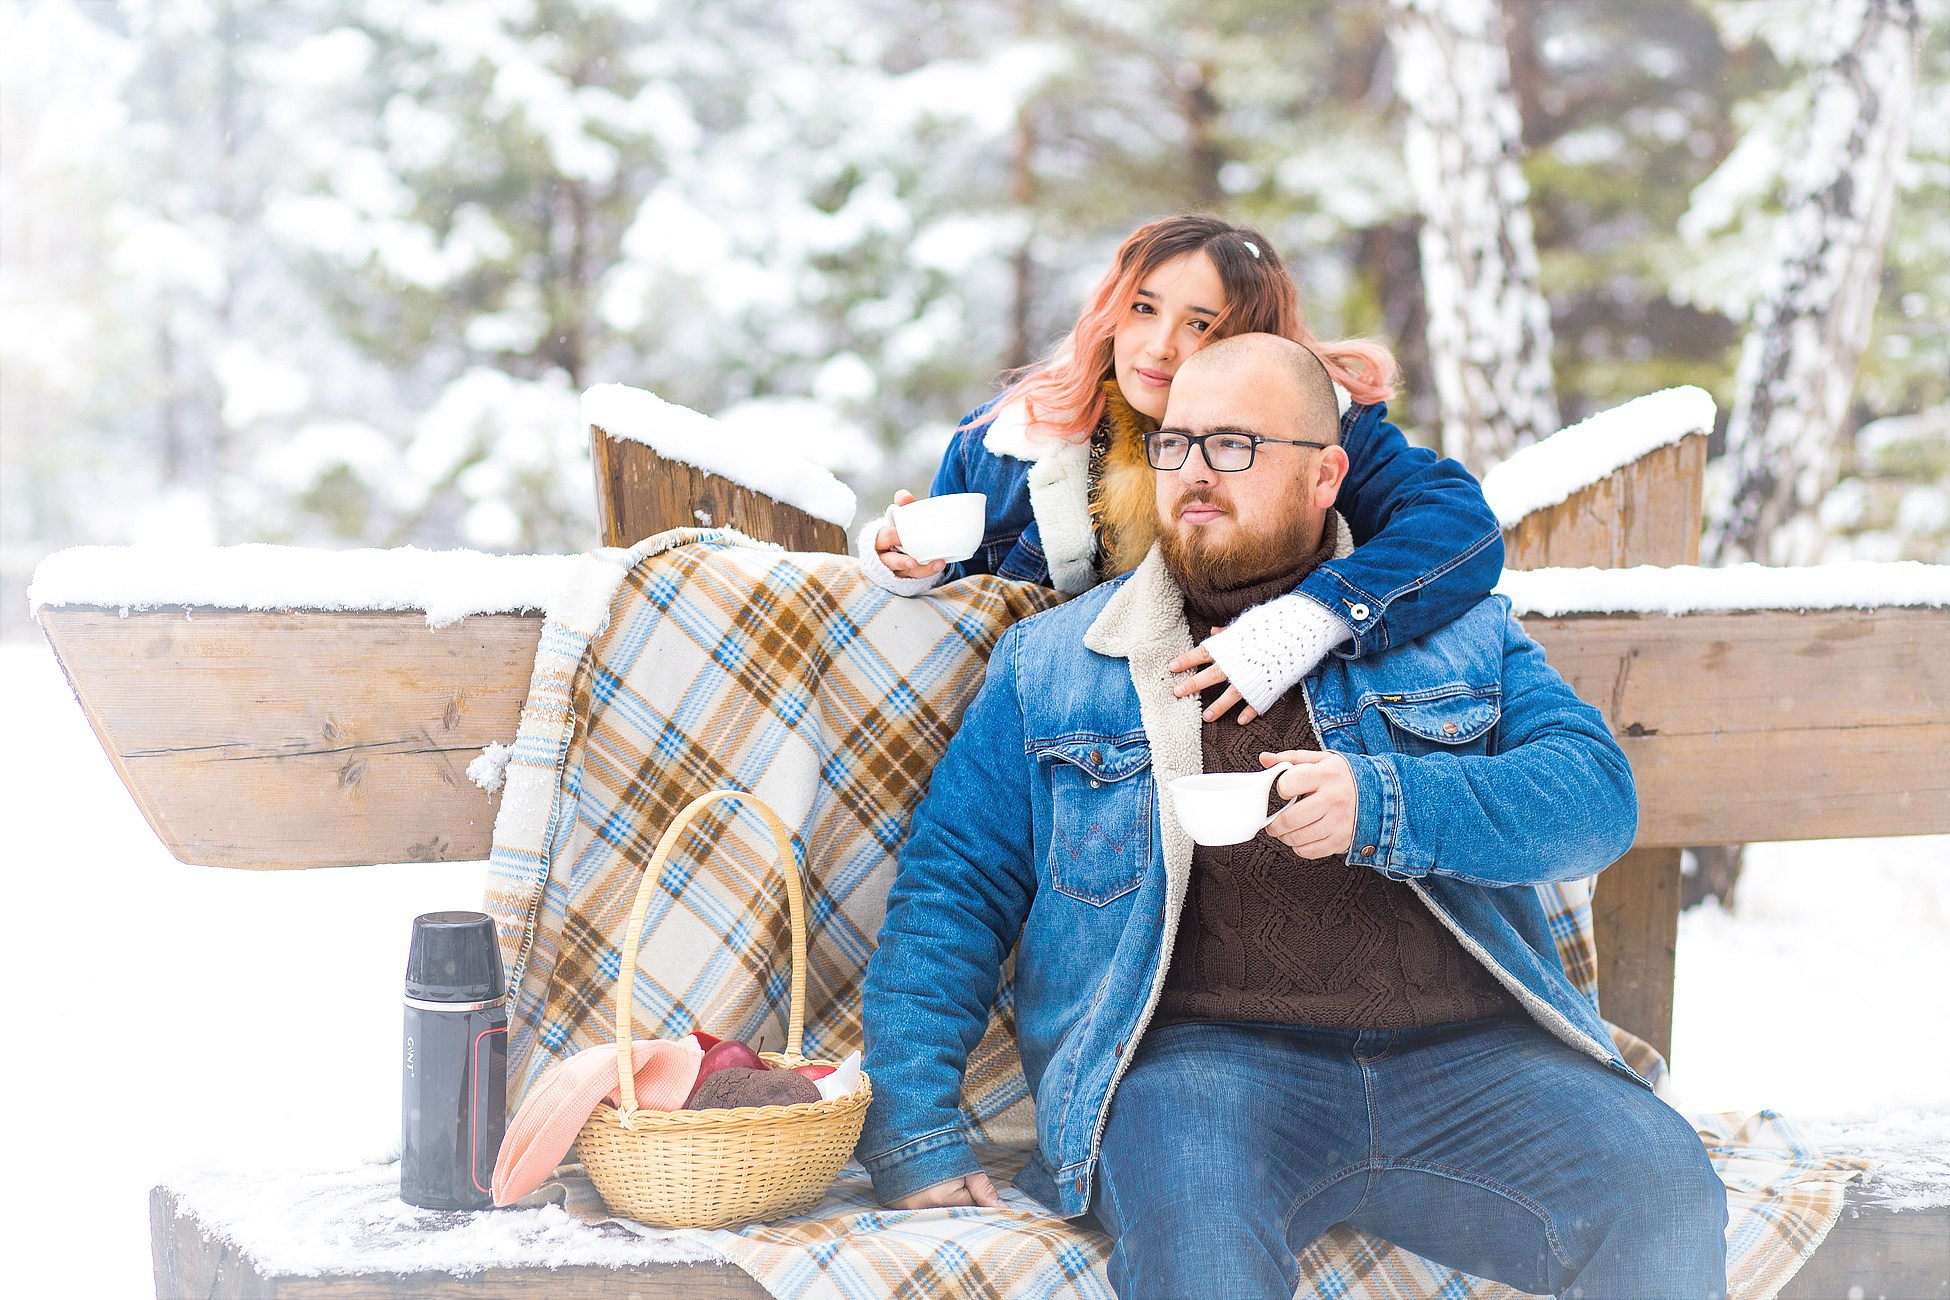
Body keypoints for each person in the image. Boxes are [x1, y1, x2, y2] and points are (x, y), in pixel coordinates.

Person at [858, 334, 1729, 1298]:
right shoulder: (1055, 664)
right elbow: (952, 892)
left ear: (1326, 476)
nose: (1193, 472)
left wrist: (1389, 803)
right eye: (1176, 442)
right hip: (1202, 1073)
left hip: (1470, 1059)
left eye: (1233, 446)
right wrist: (915, 1131)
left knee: (1663, 1189)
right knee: (1204, 1255)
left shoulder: (1451, 628)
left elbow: (1595, 801)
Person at [857, 213, 1506, 725]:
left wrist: (1314, 617)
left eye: (1200, 323)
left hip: (1247, 719)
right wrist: (903, 562)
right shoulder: (1011, 439)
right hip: (1062, 729)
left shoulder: (1314, 429)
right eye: (1143, 308)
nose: (1160, 345)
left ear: (1248, 337)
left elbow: (1458, 527)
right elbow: (952, 600)